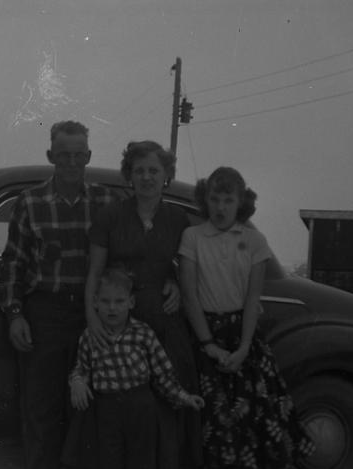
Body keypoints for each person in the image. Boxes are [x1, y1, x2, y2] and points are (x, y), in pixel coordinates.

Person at [0, 120, 117, 469]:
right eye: (63, 155)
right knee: (41, 409)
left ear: (88, 156)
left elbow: (128, 258)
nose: (71, 162)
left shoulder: (107, 202)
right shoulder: (30, 202)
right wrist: (15, 314)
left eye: (78, 155)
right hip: (44, 314)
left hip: (91, 315)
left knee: (87, 408)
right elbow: (13, 263)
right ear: (51, 155)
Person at [178, 167, 315, 469]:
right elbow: (189, 296)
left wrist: (243, 349)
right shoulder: (193, 237)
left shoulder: (254, 240)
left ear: (240, 202)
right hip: (204, 335)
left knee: (259, 423)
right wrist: (209, 345)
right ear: (205, 200)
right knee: (213, 426)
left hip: (244, 338)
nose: (220, 207)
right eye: (214, 199)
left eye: (228, 200)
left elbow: (254, 299)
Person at [84, 140, 202, 469]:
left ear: (166, 175)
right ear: (129, 176)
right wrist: (92, 319)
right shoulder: (110, 216)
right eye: (139, 171)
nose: (147, 177)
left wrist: (175, 284)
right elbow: (94, 272)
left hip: (165, 324)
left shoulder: (177, 218)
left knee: (166, 405)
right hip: (120, 320)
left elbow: (184, 268)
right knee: (121, 415)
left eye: (154, 170)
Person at [69, 266, 205, 469]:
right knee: (108, 458)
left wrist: (184, 397)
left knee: (142, 459)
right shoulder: (90, 336)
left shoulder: (143, 333)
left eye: (119, 301)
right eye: (105, 301)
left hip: (140, 407)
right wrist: (77, 382)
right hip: (107, 410)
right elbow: (81, 367)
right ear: (95, 303)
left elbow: (163, 375)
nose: (112, 308)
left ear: (131, 302)